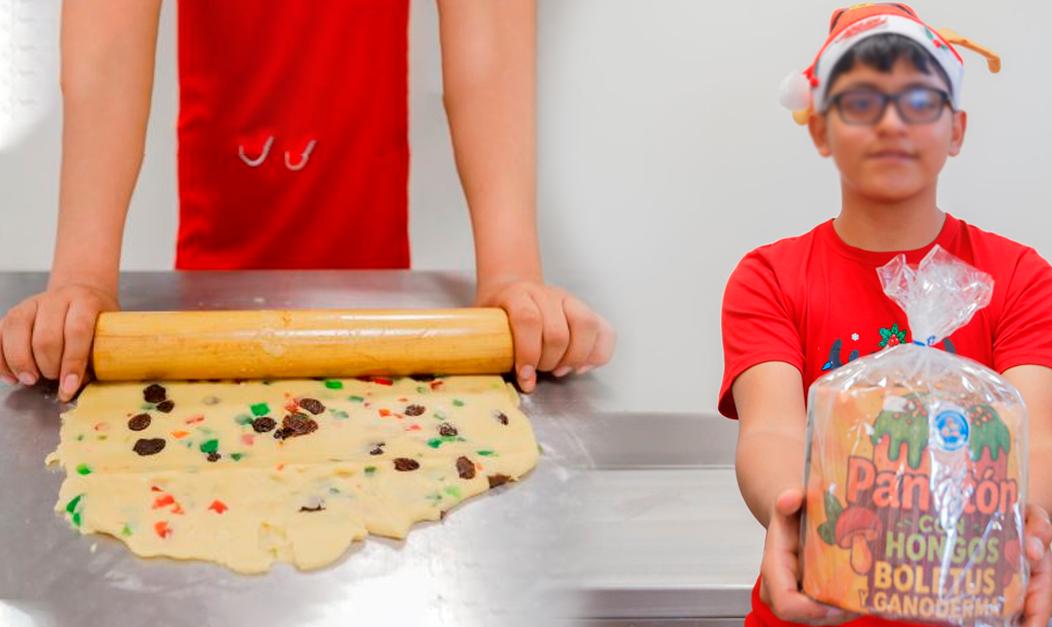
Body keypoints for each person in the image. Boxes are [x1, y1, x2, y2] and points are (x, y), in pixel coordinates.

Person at [0, 0, 613, 402]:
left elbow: (489, 49)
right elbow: (106, 51)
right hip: (210, 300)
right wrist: (81, 276)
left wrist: (511, 270)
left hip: (380, 309)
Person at [719, 4, 1052, 627]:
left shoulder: (1019, 276)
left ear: (957, 127)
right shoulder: (769, 276)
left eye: (920, 99)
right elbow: (770, 430)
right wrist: (792, 510)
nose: (891, 123)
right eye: (861, 101)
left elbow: (1043, 445)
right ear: (820, 128)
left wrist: (1032, 527)